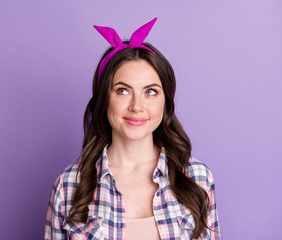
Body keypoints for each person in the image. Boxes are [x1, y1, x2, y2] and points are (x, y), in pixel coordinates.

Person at [44, 17, 221, 240]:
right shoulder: (69, 186)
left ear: (165, 101)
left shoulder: (197, 179)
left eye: (150, 92)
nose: (137, 106)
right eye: (122, 90)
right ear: (103, 99)